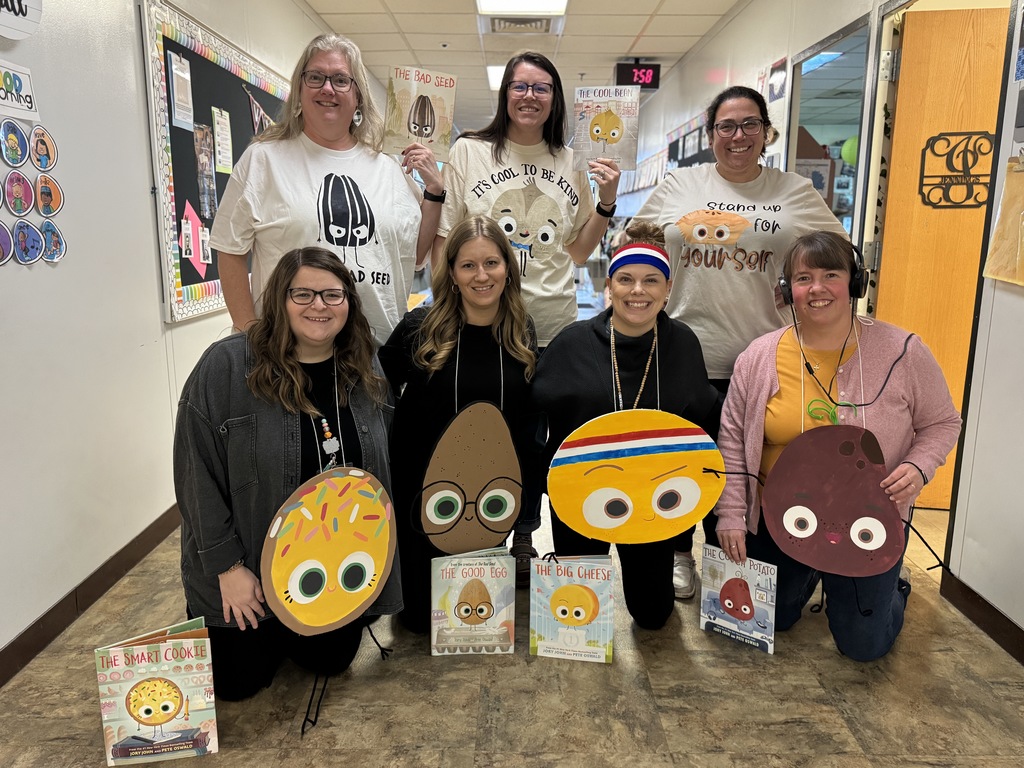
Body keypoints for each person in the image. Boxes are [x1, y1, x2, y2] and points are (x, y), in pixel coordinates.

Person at [632, 85, 848, 598]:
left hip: (760, 355)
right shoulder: (681, 184)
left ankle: (728, 559)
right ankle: (678, 554)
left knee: (740, 465)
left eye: (749, 124)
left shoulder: (793, 191)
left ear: (766, 132)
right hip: (681, 350)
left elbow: (835, 253)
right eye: (726, 126)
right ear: (710, 136)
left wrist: (807, 293)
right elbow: (639, 243)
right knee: (680, 461)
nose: (738, 136)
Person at [715, 231, 961, 661]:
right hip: (781, 516)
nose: (817, 288)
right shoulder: (758, 357)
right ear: (787, 290)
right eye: (803, 277)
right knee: (769, 620)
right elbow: (733, 440)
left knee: (864, 647)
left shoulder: (903, 352)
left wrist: (920, 467)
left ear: (855, 283)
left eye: (831, 274)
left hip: (869, 517)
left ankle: (892, 588)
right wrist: (732, 513)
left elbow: (942, 422)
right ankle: (811, 571)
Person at [174, 247, 401, 701]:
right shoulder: (226, 366)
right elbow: (194, 473)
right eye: (303, 293)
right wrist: (228, 568)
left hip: (326, 568)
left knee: (332, 661)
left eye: (332, 295)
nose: (319, 305)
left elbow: (379, 466)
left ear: (349, 304)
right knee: (237, 685)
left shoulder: (363, 364)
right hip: (248, 571)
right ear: (278, 298)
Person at [434, 51, 620, 565]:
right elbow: (449, 239)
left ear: (555, 98)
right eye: (520, 86)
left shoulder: (571, 160)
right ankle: (482, 529)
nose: (530, 97)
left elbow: (577, 252)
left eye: (541, 88)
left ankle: (525, 531)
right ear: (505, 93)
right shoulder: (469, 152)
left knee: (539, 440)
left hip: (552, 324)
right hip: (486, 324)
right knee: (490, 433)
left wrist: (606, 203)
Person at [532, 222, 722, 630]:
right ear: (610, 287)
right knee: (577, 623)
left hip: (651, 500)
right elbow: (537, 418)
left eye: (651, 280)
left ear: (668, 290)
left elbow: (701, 419)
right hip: (582, 495)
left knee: (654, 615)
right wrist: (550, 483)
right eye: (626, 280)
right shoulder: (572, 343)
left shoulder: (683, 343)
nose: (638, 291)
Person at [211, 33, 443, 344]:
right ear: (299, 89)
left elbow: (413, 256)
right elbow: (229, 250)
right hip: (288, 356)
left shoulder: (389, 167)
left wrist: (434, 192)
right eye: (316, 77)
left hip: (376, 357)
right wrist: (248, 333)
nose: (327, 88)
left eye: (340, 80)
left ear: (358, 95)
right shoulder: (263, 160)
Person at [379, 215, 538, 631]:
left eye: (491, 263)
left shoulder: (522, 331)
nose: (481, 275)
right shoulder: (420, 328)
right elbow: (376, 392)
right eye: (468, 265)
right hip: (421, 491)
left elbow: (524, 419)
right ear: (451, 273)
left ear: (508, 268)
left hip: (490, 490)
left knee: (471, 619)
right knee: (418, 621)